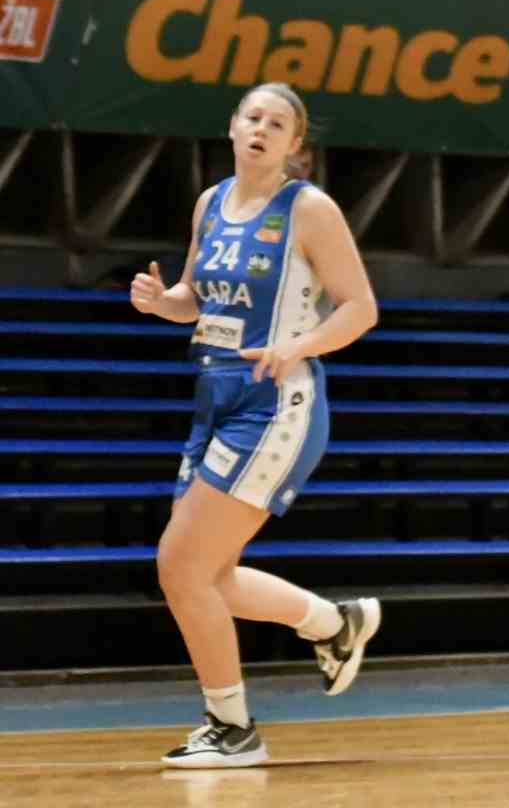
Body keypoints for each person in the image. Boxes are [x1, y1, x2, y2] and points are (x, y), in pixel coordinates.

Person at [128, 83, 381, 768]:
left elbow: (359, 308)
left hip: (276, 401)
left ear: (295, 144)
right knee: (207, 574)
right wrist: (161, 302)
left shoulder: (309, 209)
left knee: (181, 566)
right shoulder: (211, 203)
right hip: (213, 394)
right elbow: (195, 299)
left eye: (278, 123)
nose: (262, 129)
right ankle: (335, 622)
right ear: (234, 127)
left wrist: (298, 346)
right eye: (253, 117)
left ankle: (232, 728)